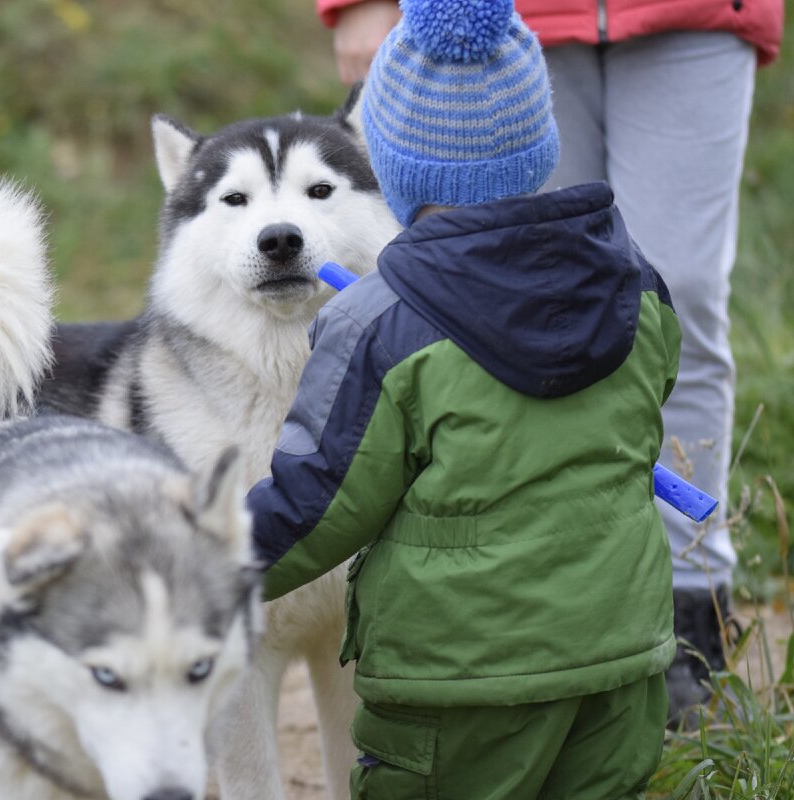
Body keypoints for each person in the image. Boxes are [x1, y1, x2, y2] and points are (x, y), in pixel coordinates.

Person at [247, 0, 682, 794]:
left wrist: (200, 560)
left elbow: (320, 503)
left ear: (397, 165)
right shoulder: (638, 288)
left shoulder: (380, 324)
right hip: (622, 667)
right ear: (538, 145)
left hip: (457, 692)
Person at [317, 0, 784, 725]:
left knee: (678, 295)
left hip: (693, 17)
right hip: (508, 21)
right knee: (501, 289)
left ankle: (693, 612)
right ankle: (533, 616)